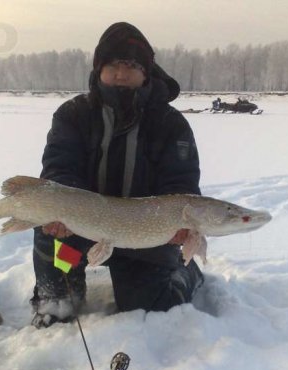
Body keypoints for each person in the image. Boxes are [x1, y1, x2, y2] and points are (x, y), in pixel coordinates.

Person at [30, 22, 204, 328]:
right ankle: (60, 296)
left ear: (146, 72)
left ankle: (187, 271)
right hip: (81, 236)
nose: (121, 73)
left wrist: (180, 225)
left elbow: (181, 182)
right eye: (112, 64)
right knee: (52, 244)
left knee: (150, 309)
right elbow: (60, 168)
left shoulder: (170, 123)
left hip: (145, 241)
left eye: (132, 65)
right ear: (99, 69)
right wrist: (63, 212)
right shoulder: (72, 114)